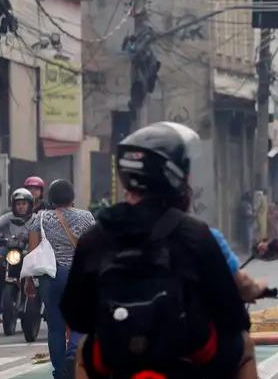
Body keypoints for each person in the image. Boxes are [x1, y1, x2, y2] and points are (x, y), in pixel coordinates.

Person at [62, 122, 252, 379]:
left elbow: (77, 316)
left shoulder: (95, 238)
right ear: (173, 175)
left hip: (118, 362)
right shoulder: (195, 234)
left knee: (85, 349)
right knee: (244, 347)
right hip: (187, 361)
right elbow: (231, 314)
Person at [29, 180, 95, 379]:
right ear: (72, 197)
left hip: (50, 277)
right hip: (77, 276)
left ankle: (60, 373)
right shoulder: (86, 217)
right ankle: (73, 351)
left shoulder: (39, 218)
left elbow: (32, 252)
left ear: (50, 198)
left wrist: (29, 281)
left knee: (55, 328)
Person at [0, 188, 35, 316]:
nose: (20, 207)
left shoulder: (35, 218)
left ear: (30, 204)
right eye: (18, 204)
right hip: (9, 248)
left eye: (23, 204)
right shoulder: (9, 217)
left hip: (27, 249)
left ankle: (37, 298)